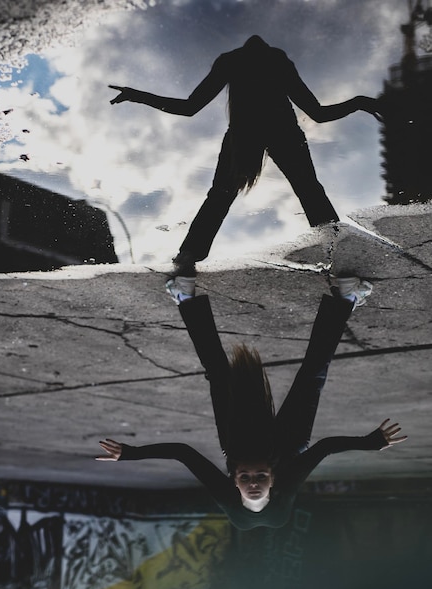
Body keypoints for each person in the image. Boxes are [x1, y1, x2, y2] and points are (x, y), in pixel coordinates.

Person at [96, 276, 407, 530]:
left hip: (240, 440)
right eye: (261, 478)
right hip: (289, 443)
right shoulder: (288, 479)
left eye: (247, 479)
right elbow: (324, 447)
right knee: (313, 374)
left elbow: (183, 453)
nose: (253, 479)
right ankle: (345, 297)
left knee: (219, 375)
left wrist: (132, 454)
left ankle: (185, 297)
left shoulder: (226, 495)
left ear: (234, 479)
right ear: (273, 479)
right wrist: (369, 443)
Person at [109, 35, 382, 274]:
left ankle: (189, 255)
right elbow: (319, 114)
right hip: (275, 132)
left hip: (250, 133)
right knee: (308, 190)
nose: (255, 39)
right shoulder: (274, 60)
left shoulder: (235, 61)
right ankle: (335, 249)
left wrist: (137, 95)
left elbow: (189, 107)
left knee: (222, 196)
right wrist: (358, 102)